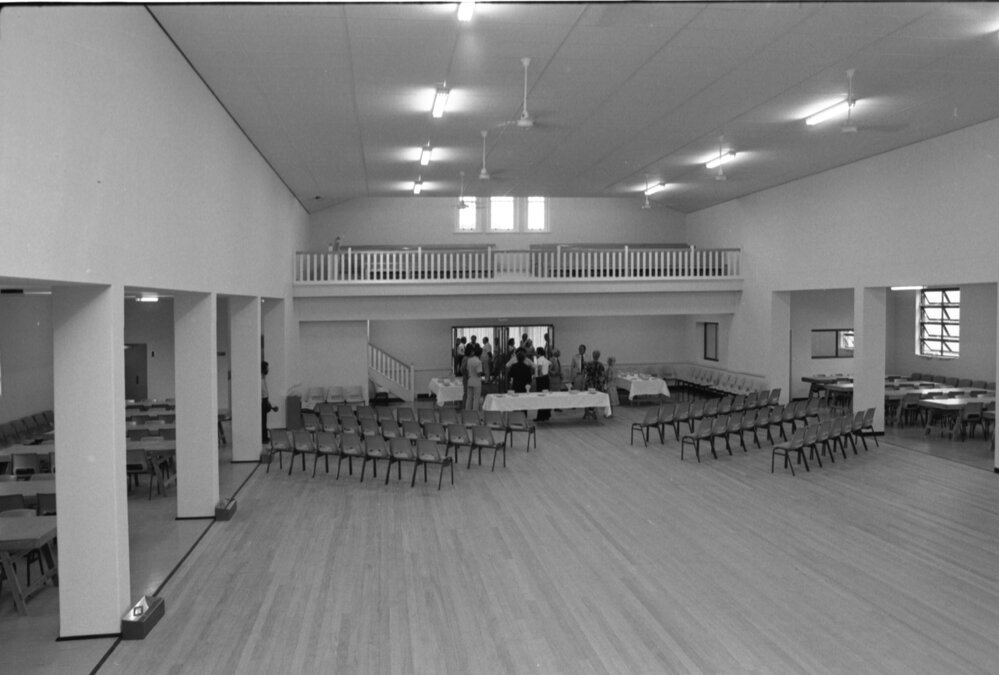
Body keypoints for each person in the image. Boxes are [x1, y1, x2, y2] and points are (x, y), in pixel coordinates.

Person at [582, 350, 606, 420]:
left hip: (589, 382)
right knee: (595, 398)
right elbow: (602, 375)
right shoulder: (601, 365)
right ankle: (594, 413)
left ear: (593, 355)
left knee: (587, 397)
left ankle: (586, 412)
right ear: (599, 356)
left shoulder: (588, 364)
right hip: (597, 383)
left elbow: (585, 373)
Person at [261, 360, 278, 443]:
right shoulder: (259, 380)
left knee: (264, 421)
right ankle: (263, 438)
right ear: (263, 369)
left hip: (265, 401)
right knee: (262, 421)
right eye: (267, 368)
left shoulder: (263, 378)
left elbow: (265, 394)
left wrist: (270, 405)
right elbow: (262, 395)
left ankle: (265, 437)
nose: (268, 370)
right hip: (262, 402)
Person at [534, 347, 552, 420]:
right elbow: (551, 364)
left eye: (536, 352)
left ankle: (540, 416)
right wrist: (546, 372)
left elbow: (539, 368)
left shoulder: (539, 360)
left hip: (541, 379)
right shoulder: (545, 359)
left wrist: (539, 375)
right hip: (546, 378)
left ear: (539, 353)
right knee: (546, 397)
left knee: (540, 396)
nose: (535, 353)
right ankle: (546, 415)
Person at [464, 344, 483, 411]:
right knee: (476, 398)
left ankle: (467, 412)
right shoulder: (479, 362)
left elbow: (467, 370)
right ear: (480, 354)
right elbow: (479, 373)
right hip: (476, 382)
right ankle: (475, 413)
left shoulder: (469, 360)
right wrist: (482, 374)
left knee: (469, 397)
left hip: (470, 380)